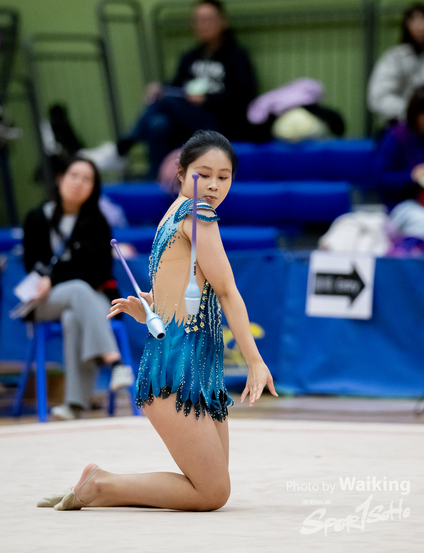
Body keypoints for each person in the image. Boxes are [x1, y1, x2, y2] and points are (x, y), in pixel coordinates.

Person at [37, 130, 277, 511]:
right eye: (203, 174)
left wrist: (148, 308)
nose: (213, 186)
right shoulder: (198, 214)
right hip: (176, 368)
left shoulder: (174, 214)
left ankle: (102, 484)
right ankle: (102, 485)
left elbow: (174, 290)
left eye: (224, 176)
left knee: (213, 483)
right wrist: (255, 360)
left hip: (196, 365)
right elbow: (228, 292)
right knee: (213, 492)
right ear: (180, 173)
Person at [23, 157, 134, 421]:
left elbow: (97, 272)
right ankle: (115, 362)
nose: (78, 183)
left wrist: (55, 277)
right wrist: (54, 280)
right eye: (74, 176)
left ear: (93, 188)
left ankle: (74, 404)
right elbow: (32, 264)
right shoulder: (37, 218)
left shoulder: (97, 223)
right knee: (78, 289)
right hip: (46, 299)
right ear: (61, 178)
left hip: (89, 296)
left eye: (87, 179)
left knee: (74, 316)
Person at [117, 0, 257, 177]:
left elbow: (245, 95)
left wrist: (207, 99)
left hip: (219, 122)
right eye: (197, 20)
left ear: (223, 22)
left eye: (207, 20)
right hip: (187, 121)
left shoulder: (237, 56)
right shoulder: (190, 57)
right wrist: (160, 88)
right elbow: (177, 87)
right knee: (158, 123)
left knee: (166, 101)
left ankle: (126, 143)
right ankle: (158, 180)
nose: (201, 25)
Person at [374, 85, 424, 240]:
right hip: (403, 206)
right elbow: (380, 179)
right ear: (416, 113)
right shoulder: (397, 136)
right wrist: (412, 176)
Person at [368, 3, 424, 124]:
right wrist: (411, 113)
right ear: (406, 25)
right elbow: (378, 97)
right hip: (402, 123)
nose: (420, 26)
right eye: (414, 20)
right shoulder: (395, 57)